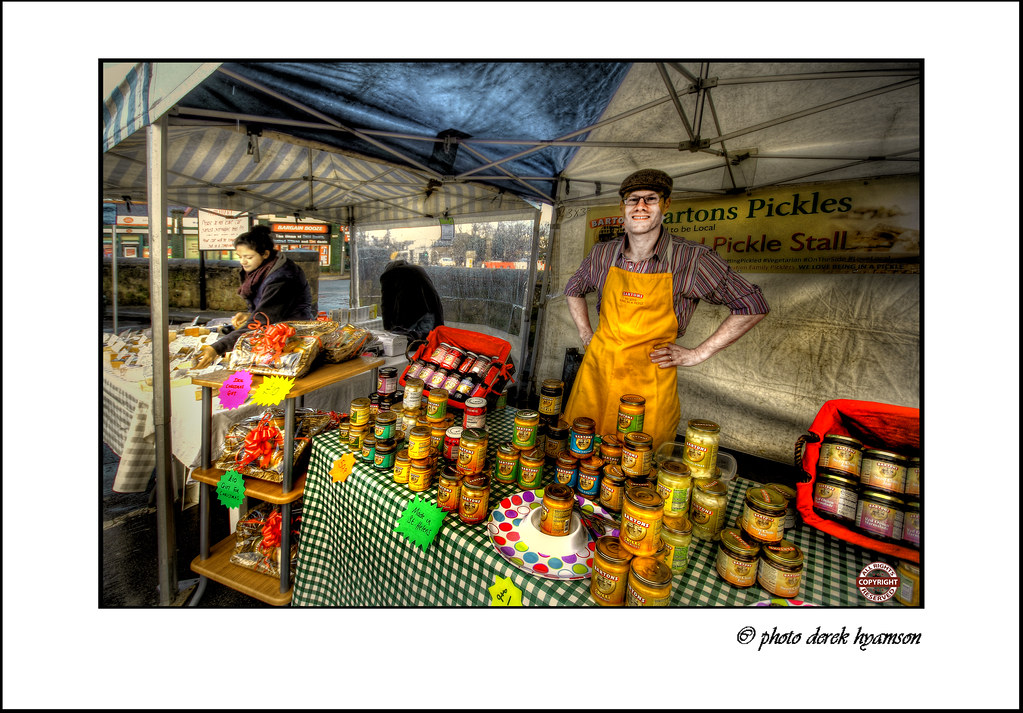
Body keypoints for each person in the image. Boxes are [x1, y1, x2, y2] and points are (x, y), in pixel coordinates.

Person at [562, 168, 769, 450]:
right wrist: (587, 334)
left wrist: (699, 353)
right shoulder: (602, 253)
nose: (641, 207)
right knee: (580, 453)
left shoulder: (693, 259)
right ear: (622, 207)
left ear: (666, 204)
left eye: (651, 199)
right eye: (634, 200)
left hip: (649, 385)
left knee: (638, 464)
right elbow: (574, 289)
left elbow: (752, 305)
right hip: (595, 377)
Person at [194, 225, 314, 369]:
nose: (242, 262)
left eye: (248, 257)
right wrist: (251, 315)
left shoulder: (283, 277)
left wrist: (218, 348)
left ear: (265, 254)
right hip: (274, 334)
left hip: (291, 338)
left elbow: (263, 320)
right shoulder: (263, 269)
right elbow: (266, 311)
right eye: (240, 257)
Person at [379, 258, 445, 342]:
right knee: (428, 339)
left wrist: (387, 328)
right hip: (431, 307)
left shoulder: (388, 275)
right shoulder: (418, 269)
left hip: (411, 309)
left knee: (407, 340)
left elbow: (386, 303)